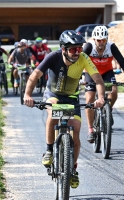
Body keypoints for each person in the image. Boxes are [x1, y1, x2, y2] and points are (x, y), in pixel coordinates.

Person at [23, 30, 105, 189]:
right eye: (73, 49)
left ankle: (73, 168)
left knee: (75, 131)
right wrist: (27, 95)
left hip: (72, 98)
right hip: (53, 94)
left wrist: (100, 98)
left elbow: (98, 79)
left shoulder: (83, 58)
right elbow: (34, 76)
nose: (77, 52)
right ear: (64, 49)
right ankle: (49, 150)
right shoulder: (53, 57)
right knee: (53, 112)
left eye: (79, 48)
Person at [82, 25, 124, 143]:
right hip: (91, 73)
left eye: (103, 40)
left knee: (113, 91)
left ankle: (108, 110)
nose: (101, 43)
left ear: (107, 39)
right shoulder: (89, 46)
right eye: (99, 40)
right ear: (94, 39)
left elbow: (123, 62)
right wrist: (79, 77)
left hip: (107, 73)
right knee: (89, 98)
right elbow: (79, 62)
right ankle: (91, 129)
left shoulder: (111, 46)